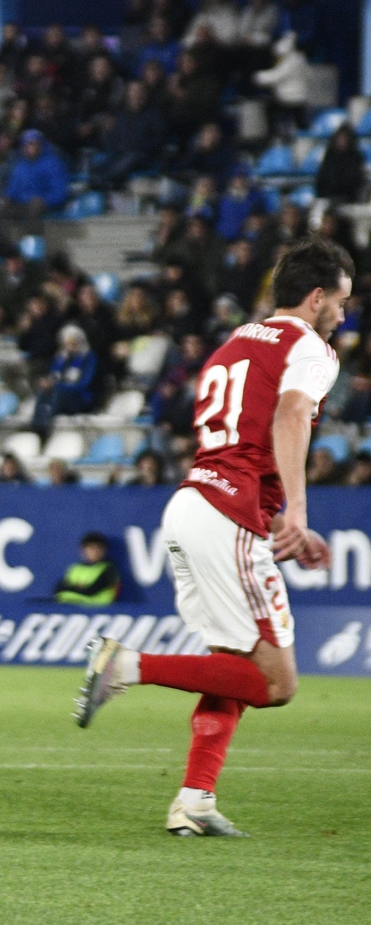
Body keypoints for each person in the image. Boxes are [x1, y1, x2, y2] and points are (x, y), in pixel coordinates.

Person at [76, 236, 353, 838]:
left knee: (233, 663)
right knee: (277, 684)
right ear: (315, 298)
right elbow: (287, 416)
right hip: (226, 517)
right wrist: (299, 510)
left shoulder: (233, 344)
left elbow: (238, 441)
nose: (343, 313)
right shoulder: (310, 347)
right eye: (340, 301)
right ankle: (127, 665)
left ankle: (194, 801)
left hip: (193, 503)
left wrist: (277, 516)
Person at [53, 532, 121, 606]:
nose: (95, 552)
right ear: (83, 550)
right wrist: (79, 589)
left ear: (105, 550)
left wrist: (72, 588)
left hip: (97, 611)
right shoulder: (75, 568)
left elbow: (91, 591)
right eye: (91, 548)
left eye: (99, 548)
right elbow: (59, 589)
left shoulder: (109, 569)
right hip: (69, 607)